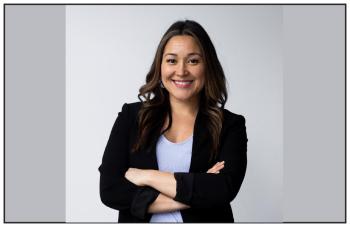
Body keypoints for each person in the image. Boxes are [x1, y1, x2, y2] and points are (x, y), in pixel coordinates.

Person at [98, 19, 248, 223]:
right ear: (160, 66)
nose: (181, 71)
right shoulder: (131, 117)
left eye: (193, 61)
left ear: (208, 66)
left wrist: (147, 177)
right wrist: (198, 190)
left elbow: (223, 189)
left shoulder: (230, 125)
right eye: (171, 60)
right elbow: (110, 190)